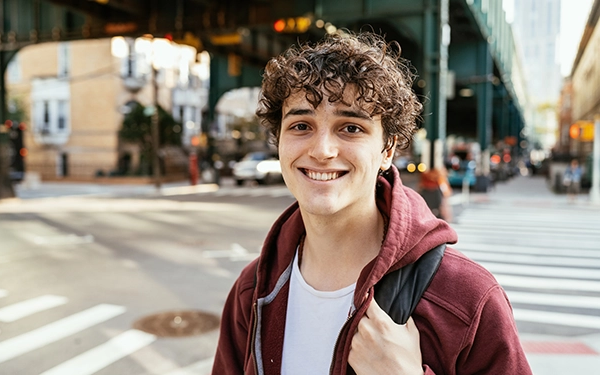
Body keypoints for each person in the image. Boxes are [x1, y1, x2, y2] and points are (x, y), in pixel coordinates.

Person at [212, 32, 531, 375]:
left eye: (350, 128)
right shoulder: (252, 292)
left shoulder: (467, 299)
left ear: (388, 149)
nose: (322, 151)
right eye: (301, 126)